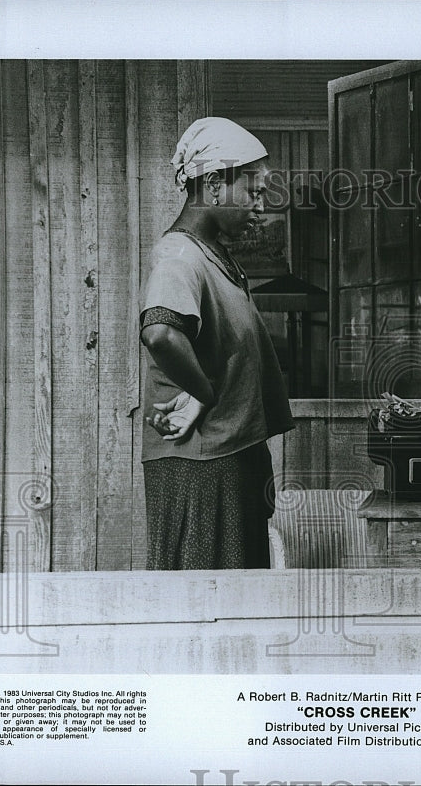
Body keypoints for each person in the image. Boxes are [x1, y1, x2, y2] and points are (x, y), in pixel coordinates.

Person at [139, 117, 294, 570]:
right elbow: (161, 333)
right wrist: (205, 390)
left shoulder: (211, 253)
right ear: (213, 184)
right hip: (201, 466)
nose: (260, 206)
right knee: (203, 606)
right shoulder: (180, 254)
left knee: (234, 602)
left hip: (227, 456)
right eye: (254, 191)